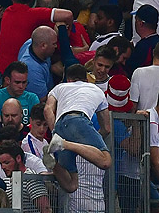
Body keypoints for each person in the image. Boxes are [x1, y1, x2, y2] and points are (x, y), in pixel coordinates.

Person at [42, 64, 113, 194]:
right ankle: (65, 144)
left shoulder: (59, 87)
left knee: (71, 185)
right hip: (78, 120)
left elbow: (47, 109)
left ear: (68, 79)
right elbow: (107, 128)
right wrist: (89, 144)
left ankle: (54, 164)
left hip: (60, 126)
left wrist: (55, 133)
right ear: (86, 79)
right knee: (106, 161)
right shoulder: (96, 89)